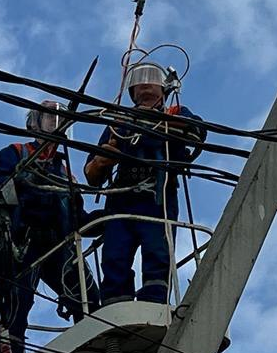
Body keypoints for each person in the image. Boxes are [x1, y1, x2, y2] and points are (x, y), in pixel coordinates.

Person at [84, 62, 205, 305]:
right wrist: (102, 160)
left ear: (163, 88)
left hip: (157, 196)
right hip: (121, 199)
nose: (146, 83)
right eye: (140, 80)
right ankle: (115, 306)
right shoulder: (118, 123)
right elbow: (91, 175)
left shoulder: (175, 113)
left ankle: (154, 302)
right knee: (114, 254)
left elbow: (198, 131)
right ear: (132, 91)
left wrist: (160, 122)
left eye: (152, 79)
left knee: (157, 251)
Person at [0, 100, 100, 353]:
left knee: (88, 300)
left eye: (59, 118)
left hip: (59, 245)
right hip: (24, 242)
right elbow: (0, 190)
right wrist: (25, 177)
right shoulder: (16, 153)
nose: (55, 121)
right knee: (17, 305)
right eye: (49, 116)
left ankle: (93, 345)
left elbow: (77, 217)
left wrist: (106, 219)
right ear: (33, 123)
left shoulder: (65, 171)